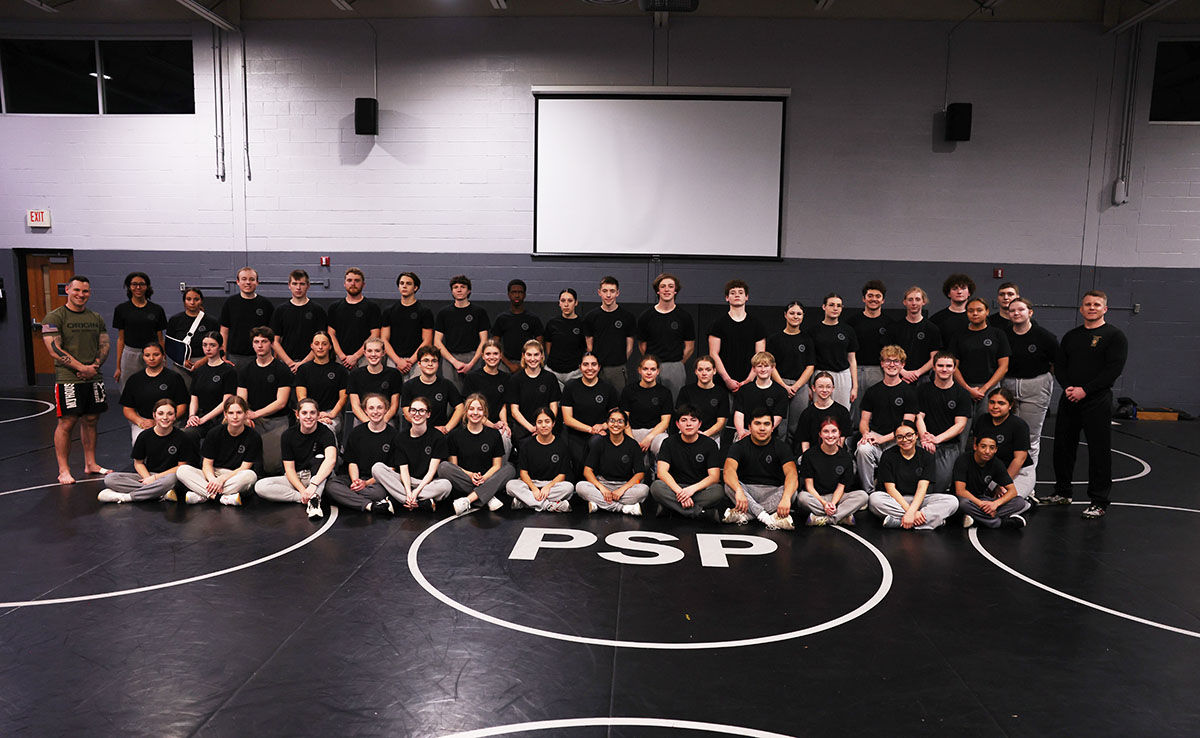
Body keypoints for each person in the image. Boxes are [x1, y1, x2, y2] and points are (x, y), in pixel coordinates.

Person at [1047, 290, 1128, 519]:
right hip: (1071, 397)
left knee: (1099, 451)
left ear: (1105, 309)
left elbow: (1113, 370)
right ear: (1081, 309)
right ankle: (1062, 492)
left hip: (1097, 400)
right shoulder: (1072, 336)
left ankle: (1099, 500)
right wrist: (1069, 388)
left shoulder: (1115, 336)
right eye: (1087, 304)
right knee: (1063, 447)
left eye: (1096, 304)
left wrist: (1086, 390)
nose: (1091, 308)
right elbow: (1060, 365)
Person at [42, 275, 111, 484]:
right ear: (68, 291)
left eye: (85, 291)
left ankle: (91, 463)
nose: (81, 295)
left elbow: (105, 345)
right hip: (68, 379)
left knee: (91, 420)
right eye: (77, 290)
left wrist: (95, 366)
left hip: (93, 376)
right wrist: (81, 368)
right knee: (67, 421)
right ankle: (63, 469)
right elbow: (53, 349)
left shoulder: (95, 317)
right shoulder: (53, 318)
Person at [254, 398, 338, 520]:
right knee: (261, 486)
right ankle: (308, 498)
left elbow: (331, 460)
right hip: (297, 479)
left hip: (317, 477)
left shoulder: (326, 433)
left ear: (318, 415)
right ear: (297, 415)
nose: (308, 416)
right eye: (304, 413)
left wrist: (313, 485)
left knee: (321, 460)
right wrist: (303, 491)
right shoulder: (288, 435)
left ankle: (314, 503)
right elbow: (289, 469)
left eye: (312, 413)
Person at [98, 399, 197, 504]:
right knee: (110, 479)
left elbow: (180, 467)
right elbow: (138, 463)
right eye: (160, 413)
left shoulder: (182, 437)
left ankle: (126, 497)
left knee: (171, 480)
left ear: (175, 416)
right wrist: (148, 478)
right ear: (154, 415)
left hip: (169, 477)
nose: (165, 417)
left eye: (170, 414)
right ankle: (159, 493)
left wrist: (155, 478)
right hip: (148, 475)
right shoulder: (144, 436)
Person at [867, 421, 958, 529]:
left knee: (952, 501)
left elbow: (922, 488)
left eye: (909, 435)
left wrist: (912, 511)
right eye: (900, 437)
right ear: (895, 439)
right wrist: (911, 512)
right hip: (896, 500)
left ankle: (899, 522)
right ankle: (928, 521)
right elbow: (891, 489)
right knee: (874, 499)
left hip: (919, 499)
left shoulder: (926, 456)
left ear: (916, 435)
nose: (905, 440)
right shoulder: (888, 455)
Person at [1001, 297, 1058, 467]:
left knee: (1030, 437)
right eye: (1012, 310)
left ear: (1030, 312)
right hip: (1008, 386)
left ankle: (1027, 483)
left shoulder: (1044, 336)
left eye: (1021, 309)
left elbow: (1057, 362)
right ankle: (1006, 481)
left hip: (1035, 386)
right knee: (1008, 434)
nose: (1016, 313)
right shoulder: (1004, 335)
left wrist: (1042, 383)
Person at [722, 408, 800, 529]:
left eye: (767, 424)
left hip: (773, 492)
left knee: (792, 491)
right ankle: (768, 518)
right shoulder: (739, 446)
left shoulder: (782, 447)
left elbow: (792, 474)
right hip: (747, 492)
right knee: (729, 486)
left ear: (772, 427)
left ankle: (747, 516)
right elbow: (728, 471)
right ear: (750, 426)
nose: (762, 428)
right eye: (757, 423)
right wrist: (738, 490)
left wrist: (785, 498)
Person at [176, 395, 261, 505]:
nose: (235, 416)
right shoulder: (215, 433)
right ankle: (220, 498)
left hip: (234, 475)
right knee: (182, 470)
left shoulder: (253, 436)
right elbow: (207, 464)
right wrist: (213, 480)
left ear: (245, 414)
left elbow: (244, 467)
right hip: (213, 473)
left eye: (239, 412)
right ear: (225, 414)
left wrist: (222, 479)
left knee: (250, 476)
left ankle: (202, 494)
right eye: (231, 413)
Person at [855, 345, 918, 492]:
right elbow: (864, 421)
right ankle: (868, 492)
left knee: (909, 444)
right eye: (888, 361)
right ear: (882, 364)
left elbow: (908, 425)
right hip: (876, 436)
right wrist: (866, 435)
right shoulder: (873, 391)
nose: (891, 365)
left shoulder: (909, 392)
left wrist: (884, 439)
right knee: (863, 449)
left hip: (899, 438)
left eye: (896, 361)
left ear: (902, 365)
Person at [374, 396, 452, 511]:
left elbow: (431, 472)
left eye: (422, 411)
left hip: (427, 483)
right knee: (377, 468)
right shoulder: (400, 438)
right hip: (406, 481)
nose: (417, 414)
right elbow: (404, 471)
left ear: (428, 414)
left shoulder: (437, 437)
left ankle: (401, 500)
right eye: (414, 410)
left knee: (446, 485)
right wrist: (409, 492)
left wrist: (416, 491)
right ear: (409, 413)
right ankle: (419, 502)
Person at [323, 393, 396, 515]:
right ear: (365, 410)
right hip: (355, 477)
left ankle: (353, 499)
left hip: (376, 482)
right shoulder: (357, 433)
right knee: (331, 486)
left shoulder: (394, 435)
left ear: (386, 409)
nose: (375, 412)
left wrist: (366, 483)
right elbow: (352, 462)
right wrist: (356, 481)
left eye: (379, 407)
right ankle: (370, 505)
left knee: (377, 493)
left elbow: (391, 468)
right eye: (371, 408)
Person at [442, 394, 515, 515]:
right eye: (471, 409)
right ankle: (488, 497)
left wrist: (484, 478)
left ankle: (468, 499)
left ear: (485, 412)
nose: (475, 413)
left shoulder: (494, 435)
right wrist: (471, 475)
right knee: (444, 467)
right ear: (466, 412)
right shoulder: (455, 435)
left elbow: (497, 465)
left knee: (510, 469)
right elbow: (454, 466)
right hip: (465, 478)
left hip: (488, 477)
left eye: (479, 409)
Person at [650, 404, 725, 521]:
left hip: (698, 490)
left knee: (718, 491)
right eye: (684, 420)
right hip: (675, 488)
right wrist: (681, 492)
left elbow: (714, 477)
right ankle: (698, 512)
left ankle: (672, 508)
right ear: (677, 424)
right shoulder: (668, 443)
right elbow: (661, 472)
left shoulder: (710, 444)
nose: (688, 424)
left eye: (693, 420)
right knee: (656, 487)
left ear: (699, 424)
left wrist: (691, 490)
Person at [237, 326, 293, 475]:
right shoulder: (245, 369)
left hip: (276, 421)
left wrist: (255, 414)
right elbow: (241, 398)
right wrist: (246, 414)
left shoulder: (282, 369)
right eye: (256, 342)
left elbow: (281, 402)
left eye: (264, 341)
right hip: (251, 419)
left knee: (272, 468)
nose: (260, 345)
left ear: (271, 344)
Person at [915, 351, 973, 492]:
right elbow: (919, 417)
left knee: (940, 486)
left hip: (949, 447)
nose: (944, 369)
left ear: (954, 368)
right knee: (919, 484)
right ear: (934, 367)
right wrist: (925, 438)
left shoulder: (962, 394)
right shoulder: (923, 390)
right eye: (940, 365)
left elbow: (960, 425)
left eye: (948, 366)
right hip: (923, 443)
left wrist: (937, 439)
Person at [575, 407, 649, 516]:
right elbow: (587, 471)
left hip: (624, 486)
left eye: (620, 421)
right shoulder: (599, 443)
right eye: (612, 421)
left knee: (644, 490)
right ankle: (623, 508)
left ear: (625, 424)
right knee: (580, 487)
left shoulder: (633, 445)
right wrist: (602, 488)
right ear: (607, 423)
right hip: (603, 484)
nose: (616, 424)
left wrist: (622, 490)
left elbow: (639, 473)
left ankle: (600, 504)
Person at [798, 417, 868, 526]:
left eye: (834, 431)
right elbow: (809, 487)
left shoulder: (846, 457)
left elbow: (841, 488)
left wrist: (833, 504)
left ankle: (826, 519)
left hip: (837, 498)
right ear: (820, 434)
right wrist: (825, 504)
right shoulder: (809, 455)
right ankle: (842, 516)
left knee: (863, 496)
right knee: (802, 498)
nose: (830, 435)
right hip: (817, 498)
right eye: (826, 431)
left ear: (839, 433)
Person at [970, 387, 1035, 500]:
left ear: (1010, 405)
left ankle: (1028, 502)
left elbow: (1019, 459)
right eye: (992, 402)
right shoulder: (982, 420)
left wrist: (1003, 484)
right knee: (973, 497)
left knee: (1007, 499)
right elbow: (977, 450)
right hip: (992, 472)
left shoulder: (1019, 425)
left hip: (1018, 473)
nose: (995, 407)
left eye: (1001, 403)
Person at [949, 297, 1010, 417]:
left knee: (986, 427)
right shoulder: (958, 335)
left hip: (990, 388)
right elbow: (953, 366)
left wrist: (984, 388)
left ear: (987, 311)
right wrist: (967, 389)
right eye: (971, 311)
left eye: (979, 310)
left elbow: (1004, 366)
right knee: (963, 430)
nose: (975, 313)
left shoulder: (998, 334)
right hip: (963, 387)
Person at [636, 273, 695, 397]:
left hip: (675, 367)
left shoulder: (684, 317)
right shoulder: (646, 317)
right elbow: (642, 345)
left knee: (674, 405)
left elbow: (689, 347)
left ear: (675, 291)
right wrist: (652, 364)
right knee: (648, 401)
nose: (666, 289)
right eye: (663, 286)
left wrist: (677, 364)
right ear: (658, 291)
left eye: (670, 286)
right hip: (651, 367)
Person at [506, 407, 574, 512]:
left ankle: (525, 502)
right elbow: (523, 473)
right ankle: (549, 505)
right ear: (535, 425)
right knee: (510, 485)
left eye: (547, 421)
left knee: (568, 487)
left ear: (553, 423)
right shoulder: (526, 445)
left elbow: (562, 475)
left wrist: (548, 487)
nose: (543, 425)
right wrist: (533, 489)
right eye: (539, 422)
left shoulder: (562, 445)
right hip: (531, 484)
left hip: (552, 486)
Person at [560, 352, 619, 473]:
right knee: (579, 468)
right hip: (575, 435)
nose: (590, 368)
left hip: (600, 435)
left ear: (599, 367)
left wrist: (603, 426)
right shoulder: (571, 386)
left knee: (596, 446)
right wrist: (590, 429)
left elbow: (616, 418)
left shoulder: (608, 388)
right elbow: (567, 419)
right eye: (586, 364)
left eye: (593, 364)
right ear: (580, 367)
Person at [119, 342, 188, 445]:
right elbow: (127, 408)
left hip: (168, 421)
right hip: (144, 422)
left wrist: (164, 420)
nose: (151, 358)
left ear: (163, 356)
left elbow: (182, 405)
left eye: (156, 354)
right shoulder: (134, 380)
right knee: (139, 443)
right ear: (143, 357)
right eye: (147, 355)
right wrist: (140, 422)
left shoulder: (174, 378)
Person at [955, 435, 1031, 529]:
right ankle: (998, 523)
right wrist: (981, 504)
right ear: (975, 447)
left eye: (991, 448)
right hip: (967, 499)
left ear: (995, 450)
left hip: (983, 499)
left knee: (1020, 502)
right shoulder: (963, 460)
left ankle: (977, 518)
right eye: (983, 446)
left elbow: (1013, 491)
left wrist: (995, 504)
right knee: (962, 504)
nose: (987, 451)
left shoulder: (997, 464)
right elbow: (960, 491)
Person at [706, 278, 767, 393]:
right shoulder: (718, 324)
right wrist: (727, 379)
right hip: (723, 382)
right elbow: (713, 353)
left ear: (746, 297)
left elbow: (760, 356)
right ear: (727, 298)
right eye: (732, 293)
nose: (737, 295)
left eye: (740, 292)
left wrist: (749, 380)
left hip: (750, 382)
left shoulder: (757, 325)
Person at [766, 302, 815, 442]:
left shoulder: (807, 340)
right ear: (785, 315)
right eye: (792, 313)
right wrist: (783, 385)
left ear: (803, 316)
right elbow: (770, 365)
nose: (795, 316)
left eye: (799, 314)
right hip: (778, 385)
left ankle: (794, 459)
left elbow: (810, 366)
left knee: (797, 426)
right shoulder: (775, 339)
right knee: (778, 426)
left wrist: (796, 386)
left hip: (799, 387)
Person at [112, 271, 167, 393]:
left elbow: (160, 338)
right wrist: (118, 366)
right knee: (129, 389)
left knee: (154, 388)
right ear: (129, 286)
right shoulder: (121, 309)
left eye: (142, 284)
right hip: (130, 354)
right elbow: (120, 339)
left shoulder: (157, 309)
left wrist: (163, 359)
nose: (138, 287)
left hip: (153, 353)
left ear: (147, 286)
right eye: (134, 284)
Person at [434, 274, 490, 391]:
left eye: (462, 287)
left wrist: (472, 363)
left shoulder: (479, 312)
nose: (459, 289)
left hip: (473, 357)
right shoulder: (444, 313)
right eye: (455, 287)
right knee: (452, 396)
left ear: (468, 291)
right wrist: (454, 361)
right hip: (450, 359)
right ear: (452, 291)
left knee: (474, 397)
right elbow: (437, 342)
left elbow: (484, 341)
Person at [845, 280, 890, 418]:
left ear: (883, 300)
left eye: (878, 296)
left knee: (877, 408)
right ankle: (853, 438)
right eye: (870, 296)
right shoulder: (852, 323)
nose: (874, 299)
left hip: (879, 371)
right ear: (864, 299)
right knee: (854, 408)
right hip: (855, 370)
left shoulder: (889, 324)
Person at [583, 275, 636, 392]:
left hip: (618, 368)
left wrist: (618, 362)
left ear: (617, 293)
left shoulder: (627, 317)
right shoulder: (591, 317)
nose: (608, 295)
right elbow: (589, 346)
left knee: (619, 403)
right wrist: (596, 364)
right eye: (605, 291)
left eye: (612, 291)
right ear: (599, 292)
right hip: (597, 369)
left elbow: (630, 347)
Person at [293, 331, 349, 436]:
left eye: (324, 344)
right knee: (306, 428)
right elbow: (302, 398)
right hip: (309, 413)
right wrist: (314, 415)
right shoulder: (303, 369)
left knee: (325, 430)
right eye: (317, 343)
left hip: (331, 414)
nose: (320, 347)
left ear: (330, 346)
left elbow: (343, 398)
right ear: (311, 346)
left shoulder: (340, 370)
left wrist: (331, 414)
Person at [809, 293, 858, 410]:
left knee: (843, 411)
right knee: (820, 411)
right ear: (824, 307)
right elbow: (808, 361)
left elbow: (852, 359)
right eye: (831, 305)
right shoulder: (813, 331)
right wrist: (808, 386)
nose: (835, 308)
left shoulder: (848, 330)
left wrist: (855, 386)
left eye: (838, 305)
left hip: (842, 375)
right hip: (820, 375)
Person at [270, 269, 327, 372]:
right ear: (289, 285)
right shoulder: (280, 310)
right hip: (286, 365)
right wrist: (290, 363)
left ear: (308, 285)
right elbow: (275, 341)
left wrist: (303, 363)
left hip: (312, 363)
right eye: (295, 283)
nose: (298, 287)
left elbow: (321, 342)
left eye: (302, 284)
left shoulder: (318, 310)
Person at [186, 331, 238, 444]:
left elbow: (226, 401)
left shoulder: (229, 371)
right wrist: (192, 416)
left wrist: (204, 419)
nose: (208, 349)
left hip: (221, 418)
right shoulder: (199, 371)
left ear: (220, 347)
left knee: (215, 435)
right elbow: (194, 398)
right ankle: (190, 462)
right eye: (205, 345)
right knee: (188, 433)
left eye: (212, 345)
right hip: (201, 416)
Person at [462, 338, 512, 452]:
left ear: (500, 356)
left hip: (497, 423)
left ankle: (500, 469)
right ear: (483, 356)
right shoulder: (472, 377)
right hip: (476, 421)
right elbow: (469, 407)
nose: (492, 357)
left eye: (495, 353)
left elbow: (503, 404)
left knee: (505, 436)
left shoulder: (506, 378)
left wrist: (504, 424)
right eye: (488, 354)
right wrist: (491, 425)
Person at [327, 267, 382, 370]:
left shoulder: (372, 307)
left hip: (365, 358)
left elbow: (375, 334)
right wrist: (342, 356)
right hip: (340, 358)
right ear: (344, 284)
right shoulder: (334, 307)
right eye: (349, 280)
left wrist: (356, 356)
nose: (353, 283)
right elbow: (331, 334)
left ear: (363, 284)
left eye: (357, 281)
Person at [400, 346, 465, 433]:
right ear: (419, 364)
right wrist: (425, 428)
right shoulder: (409, 385)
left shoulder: (446, 384)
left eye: (434, 361)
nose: (430, 364)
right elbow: (407, 413)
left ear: (438, 364)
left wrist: (447, 428)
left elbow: (460, 407)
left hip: (440, 434)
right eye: (426, 360)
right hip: (417, 432)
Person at [619, 355, 673, 460]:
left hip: (656, 432)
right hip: (633, 432)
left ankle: (659, 473)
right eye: (645, 369)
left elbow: (665, 422)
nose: (649, 372)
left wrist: (649, 437)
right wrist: (631, 440)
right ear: (639, 370)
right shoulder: (629, 390)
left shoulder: (664, 392)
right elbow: (624, 419)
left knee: (663, 444)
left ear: (658, 371)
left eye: (653, 369)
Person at [219, 266, 273, 369]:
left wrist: (274, 355)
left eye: (252, 279)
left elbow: (273, 333)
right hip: (235, 356)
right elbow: (224, 330)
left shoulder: (266, 304)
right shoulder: (230, 303)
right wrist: (223, 354)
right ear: (238, 282)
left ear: (257, 282)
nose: (248, 282)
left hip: (261, 356)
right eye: (244, 279)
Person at [381, 271, 434, 375]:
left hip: (416, 361)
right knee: (394, 391)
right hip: (394, 361)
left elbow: (427, 340)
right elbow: (384, 339)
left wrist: (411, 361)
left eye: (408, 283)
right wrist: (398, 361)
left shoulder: (424, 311)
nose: (404, 286)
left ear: (415, 288)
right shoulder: (389, 311)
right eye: (401, 283)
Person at [791, 371, 852, 457]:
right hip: (813, 456)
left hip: (835, 455)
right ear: (813, 388)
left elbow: (841, 440)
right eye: (820, 386)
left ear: (833, 388)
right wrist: (808, 459)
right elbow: (804, 441)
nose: (824, 390)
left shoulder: (842, 411)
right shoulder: (807, 413)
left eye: (828, 387)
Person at [165, 287, 218, 384]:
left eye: (196, 299)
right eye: (188, 299)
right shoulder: (175, 320)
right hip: (180, 365)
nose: (192, 302)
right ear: (184, 301)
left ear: (201, 301)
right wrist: (182, 361)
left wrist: (203, 361)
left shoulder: (211, 321)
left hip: (205, 362)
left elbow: (218, 345)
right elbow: (169, 346)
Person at [890, 286, 942, 384]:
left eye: (917, 299)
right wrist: (903, 372)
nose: (914, 303)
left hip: (923, 378)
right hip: (898, 377)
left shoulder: (932, 329)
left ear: (923, 302)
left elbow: (934, 357)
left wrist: (917, 373)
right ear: (904, 302)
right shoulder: (895, 328)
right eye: (910, 299)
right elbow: (887, 355)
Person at [491, 278, 545, 372]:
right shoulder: (502, 318)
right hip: (506, 363)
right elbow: (495, 345)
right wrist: (509, 364)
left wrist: (526, 362)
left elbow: (539, 345)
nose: (516, 295)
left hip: (528, 361)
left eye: (520, 292)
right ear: (509, 295)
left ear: (524, 295)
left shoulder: (533, 318)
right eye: (514, 292)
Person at [674, 355, 730, 445]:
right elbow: (681, 417)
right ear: (696, 371)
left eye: (708, 370)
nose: (704, 373)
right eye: (700, 370)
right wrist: (693, 434)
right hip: (687, 433)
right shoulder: (686, 391)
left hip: (711, 435)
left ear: (714, 371)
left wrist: (704, 435)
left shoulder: (721, 393)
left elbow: (721, 422)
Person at [732, 351, 788, 441]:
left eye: (766, 366)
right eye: (759, 366)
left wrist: (758, 433)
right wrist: (741, 432)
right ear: (754, 369)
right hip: (745, 432)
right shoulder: (744, 390)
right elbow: (739, 413)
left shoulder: (781, 392)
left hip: (768, 433)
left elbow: (777, 417)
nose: (763, 369)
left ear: (773, 368)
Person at [348, 337, 403, 426]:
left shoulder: (394, 374)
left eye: (377, 351)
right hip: (362, 419)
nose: (373, 354)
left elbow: (394, 406)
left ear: (383, 353)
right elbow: (355, 406)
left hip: (386, 420)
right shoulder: (355, 374)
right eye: (369, 351)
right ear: (365, 353)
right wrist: (369, 424)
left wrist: (381, 423)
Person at [544, 288, 586, 388]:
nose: (566, 304)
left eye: (570, 301)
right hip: (553, 371)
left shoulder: (583, 324)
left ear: (576, 303)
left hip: (575, 373)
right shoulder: (552, 323)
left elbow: (587, 348)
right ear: (559, 303)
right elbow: (548, 348)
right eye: (563, 301)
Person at [929, 273, 974, 346]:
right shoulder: (937, 319)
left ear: (969, 293)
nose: (959, 292)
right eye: (955, 288)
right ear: (948, 294)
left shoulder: (977, 318)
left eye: (963, 288)